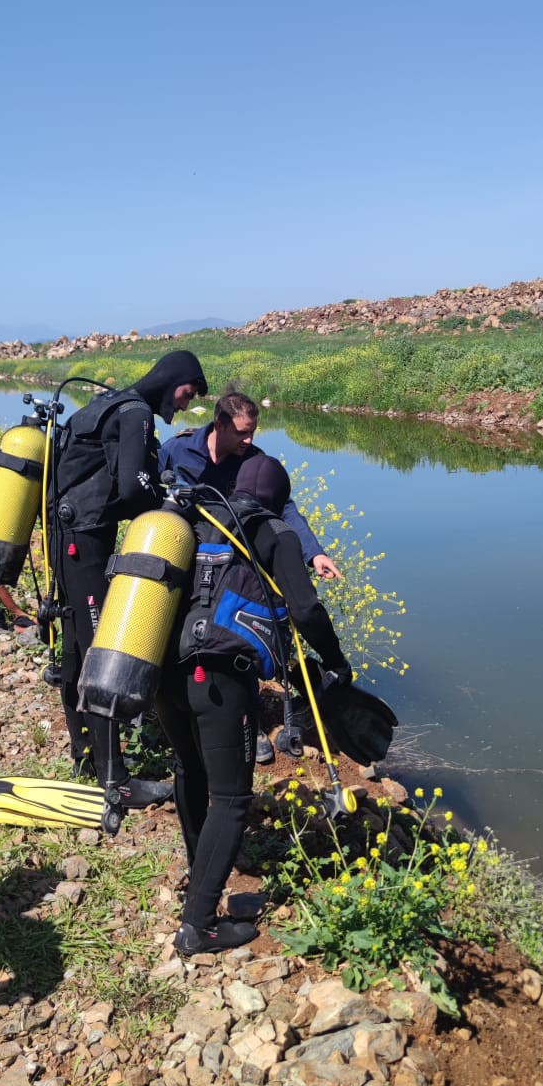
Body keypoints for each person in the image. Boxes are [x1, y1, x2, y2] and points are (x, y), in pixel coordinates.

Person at [155, 452, 352, 955]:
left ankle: (200, 871)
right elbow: (305, 608)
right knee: (233, 797)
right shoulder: (273, 532)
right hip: (220, 679)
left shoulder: (197, 519)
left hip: (165, 673)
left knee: (189, 768)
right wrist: (336, 661)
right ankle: (197, 924)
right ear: (279, 500)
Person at [49, 349, 207, 805]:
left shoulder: (113, 403)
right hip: (85, 540)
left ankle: (85, 754)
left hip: (66, 532)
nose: (184, 402)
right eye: (187, 391)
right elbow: (134, 490)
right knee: (104, 649)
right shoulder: (137, 414)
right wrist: (172, 500)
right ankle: (115, 781)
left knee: (78, 644)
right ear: (172, 379)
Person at [158, 391, 343, 763]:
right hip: (186, 555)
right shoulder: (177, 451)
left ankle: (249, 721)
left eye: (253, 432)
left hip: (234, 566)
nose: (250, 441)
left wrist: (313, 552)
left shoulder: (252, 462)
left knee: (238, 632)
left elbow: (283, 507)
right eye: (242, 433)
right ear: (219, 424)